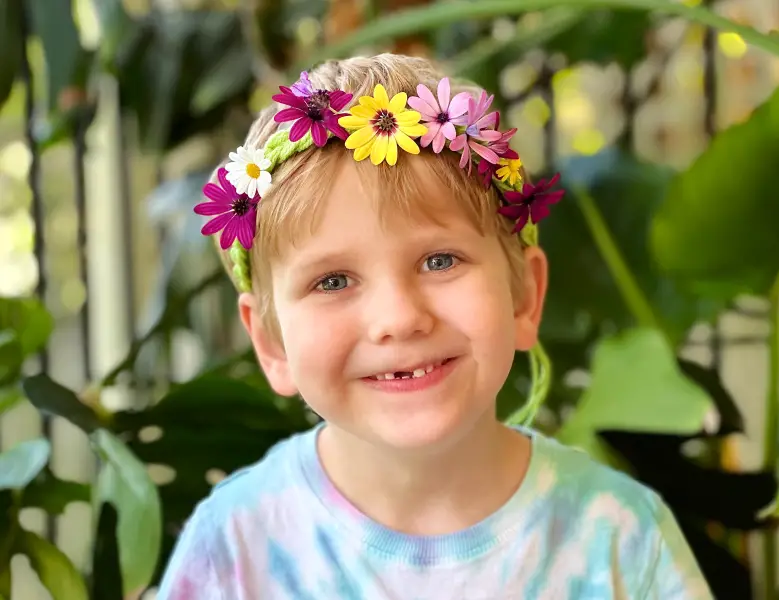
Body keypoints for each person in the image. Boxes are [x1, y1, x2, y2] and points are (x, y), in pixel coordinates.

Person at [157, 53, 713, 599]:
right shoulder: (233, 550)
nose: (399, 318)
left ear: (525, 297)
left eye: (439, 261)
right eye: (332, 281)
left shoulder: (622, 538)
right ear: (270, 342)